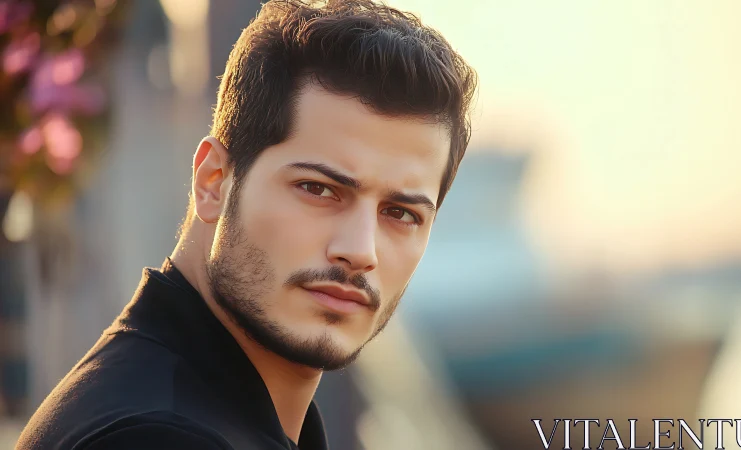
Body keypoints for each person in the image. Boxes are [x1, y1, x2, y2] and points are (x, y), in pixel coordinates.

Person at [16, 0, 476, 448]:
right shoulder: (155, 434)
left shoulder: (200, 407)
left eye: (400, 213)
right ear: (213, 181)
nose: (360, 251)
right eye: (318, 189)